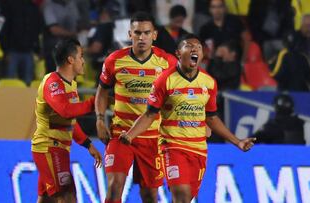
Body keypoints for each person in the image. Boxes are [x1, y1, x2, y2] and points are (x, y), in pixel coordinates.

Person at [119, 34, 256, 202]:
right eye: (189, 46)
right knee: (182, 195)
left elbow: (211, 118)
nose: (194, 49)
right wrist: (130, 135)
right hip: (173, 147)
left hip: (198, 150)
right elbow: (149, 114)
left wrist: (238, 142)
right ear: (178, 53)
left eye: (198, 47)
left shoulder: (209, 82)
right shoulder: (165, 80)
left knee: (187, 198)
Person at [95, 12, 177, 203]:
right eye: (138, 32)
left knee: (150, 196)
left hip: (153, 139)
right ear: (130, 34)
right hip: (120, 135)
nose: (142, 37)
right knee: (115, 187)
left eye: (147, 33)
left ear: (154, 35)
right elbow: (101, 92)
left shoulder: (167, 63)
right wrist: (99, 119)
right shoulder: (114, 60)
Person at [31, 38, 102, 203]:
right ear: (71, 59)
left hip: (59, 148)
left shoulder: (71, 85)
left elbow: (70, 122)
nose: (83, 61)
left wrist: (88, 144)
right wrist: (95, 102)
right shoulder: (53, 83)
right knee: (68, 196)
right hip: (49, 147)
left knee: (47, 200)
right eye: (81, 56)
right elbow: (65, 111)